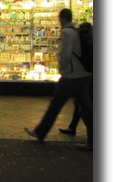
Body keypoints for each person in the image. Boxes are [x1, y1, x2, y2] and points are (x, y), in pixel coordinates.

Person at [25, 9, 93, 151]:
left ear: (61, 19)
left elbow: (65, 53)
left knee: (55, 105)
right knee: (86, 109)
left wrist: (61, 70)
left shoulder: (67, 33)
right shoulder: (76, 31)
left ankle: (40, 132)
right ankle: (93, 140)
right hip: (84, 75)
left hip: (71, 76)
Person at [59, 22, 93, 136]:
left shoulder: (79, 40)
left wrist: (63, 69)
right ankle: (73, 127)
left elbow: (66, 54)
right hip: (87, 76)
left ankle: (91, 137)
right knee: (83, 105)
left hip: (80, 76)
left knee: (83, 107)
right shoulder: (89, 41)